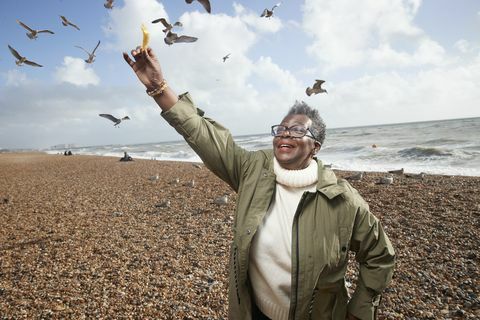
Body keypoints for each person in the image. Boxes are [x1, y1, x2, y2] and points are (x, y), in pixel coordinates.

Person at [123, 47, 395, 320]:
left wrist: (359, 311)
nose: (285, 134)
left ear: (316, 147)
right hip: (252, 312)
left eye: (298, 130)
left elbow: (380, 256)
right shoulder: (252, 170)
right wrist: (159, 87)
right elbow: (204, 134)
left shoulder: (343, 201)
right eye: (281, 128)